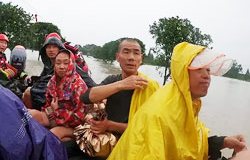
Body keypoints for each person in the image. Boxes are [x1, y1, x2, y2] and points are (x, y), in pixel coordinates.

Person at [108, 42, 247, 160]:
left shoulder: (187, 104)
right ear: (182, 73)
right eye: (199, 69)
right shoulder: (161, 113)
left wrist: (223, 142)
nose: (207, 76)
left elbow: (190, 144)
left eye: (208, 70)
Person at [81, 38, 159, 140]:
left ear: (141, 58)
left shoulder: (149, 86)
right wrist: (121, 84)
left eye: (136, 53)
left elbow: (148, 127)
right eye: (126, 52)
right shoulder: (113, 80)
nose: (131, 57)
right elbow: (86, 97)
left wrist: (109, 125)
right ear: (117, 57)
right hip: (106, 138)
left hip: (132, 143)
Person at [22, 32, 96, 110]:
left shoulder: (69, 64)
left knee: (28, 92)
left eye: (54, 47)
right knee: (26, 93)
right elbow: (43, 78)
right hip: (51, 92)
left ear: (60, 48)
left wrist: (100, 91)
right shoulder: (49, 64)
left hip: (63, 97)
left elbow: (87, 79)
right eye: (48, 47)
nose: (51, 50)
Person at [29, 49, 89, 141]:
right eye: (58, 63)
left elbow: (79, 119)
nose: (61, 67)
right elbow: (48, 104)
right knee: (29, 115)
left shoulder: (79, 86)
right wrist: (52, 111)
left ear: (72, 64)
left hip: (73, 126)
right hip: (55, 117)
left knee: (51, 135)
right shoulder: (53, 81)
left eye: (66, 63)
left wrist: (56, 110)